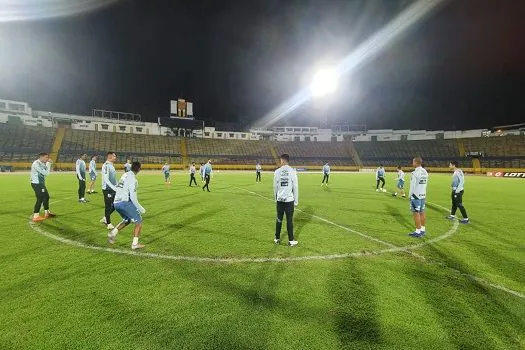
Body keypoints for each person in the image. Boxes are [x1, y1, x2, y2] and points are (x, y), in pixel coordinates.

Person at [108, 161, 146, 250]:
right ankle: (134, 244)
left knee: (127, 220)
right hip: (124, 202)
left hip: (116, 202)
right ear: (139, 169)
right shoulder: (134, 180)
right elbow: (133, 197)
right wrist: (140, 208)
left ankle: (112, 233)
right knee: (139, 222)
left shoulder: (125, 175)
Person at [273, 154, 299, 246]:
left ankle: (277, 238)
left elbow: (275, 186)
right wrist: (296, 201)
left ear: (283, 161)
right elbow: (295, 186)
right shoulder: (292, 171)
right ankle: (291, 240)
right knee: (289, 220)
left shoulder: (277, 172)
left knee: (279, 219)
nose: (280, 162)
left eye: (280, 160)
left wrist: (275, 198)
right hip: (289, 200)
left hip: (280, 200)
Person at [30, 152, 56, 222]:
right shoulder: (36, 164)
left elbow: (47, 170)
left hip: (40, 183)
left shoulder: (41, 163)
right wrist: (49, 164)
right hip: (36, 184)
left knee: (46, 196)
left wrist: (49, 164)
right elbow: (46, 173)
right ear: (41, 157)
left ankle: (47, 212)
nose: (47, 159)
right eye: (46, 157)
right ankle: (36, 216)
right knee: (40, 198)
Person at [408, 157, 428, 238]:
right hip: (423, 195)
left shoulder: (414, 173)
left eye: (413, 162)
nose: (412, 163)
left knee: (416, 214)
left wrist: (410, 196)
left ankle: (418, 231)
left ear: (416, 162)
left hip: (415, 196)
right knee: (422, 212)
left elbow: (412, 186)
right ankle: (423, 229)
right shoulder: (425, 171)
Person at [100, 152, 118, 230]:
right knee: (108, 206)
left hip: (113, 188)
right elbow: (106, 180)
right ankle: (108, 223)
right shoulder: (106, 166)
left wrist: (118, 186)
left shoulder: (111, 166)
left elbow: (114, 179)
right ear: (110, 157)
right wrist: (114, 188)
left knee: (116, 204)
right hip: (107, 189)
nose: (115, 157)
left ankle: (105, 218)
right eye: (114, 156)